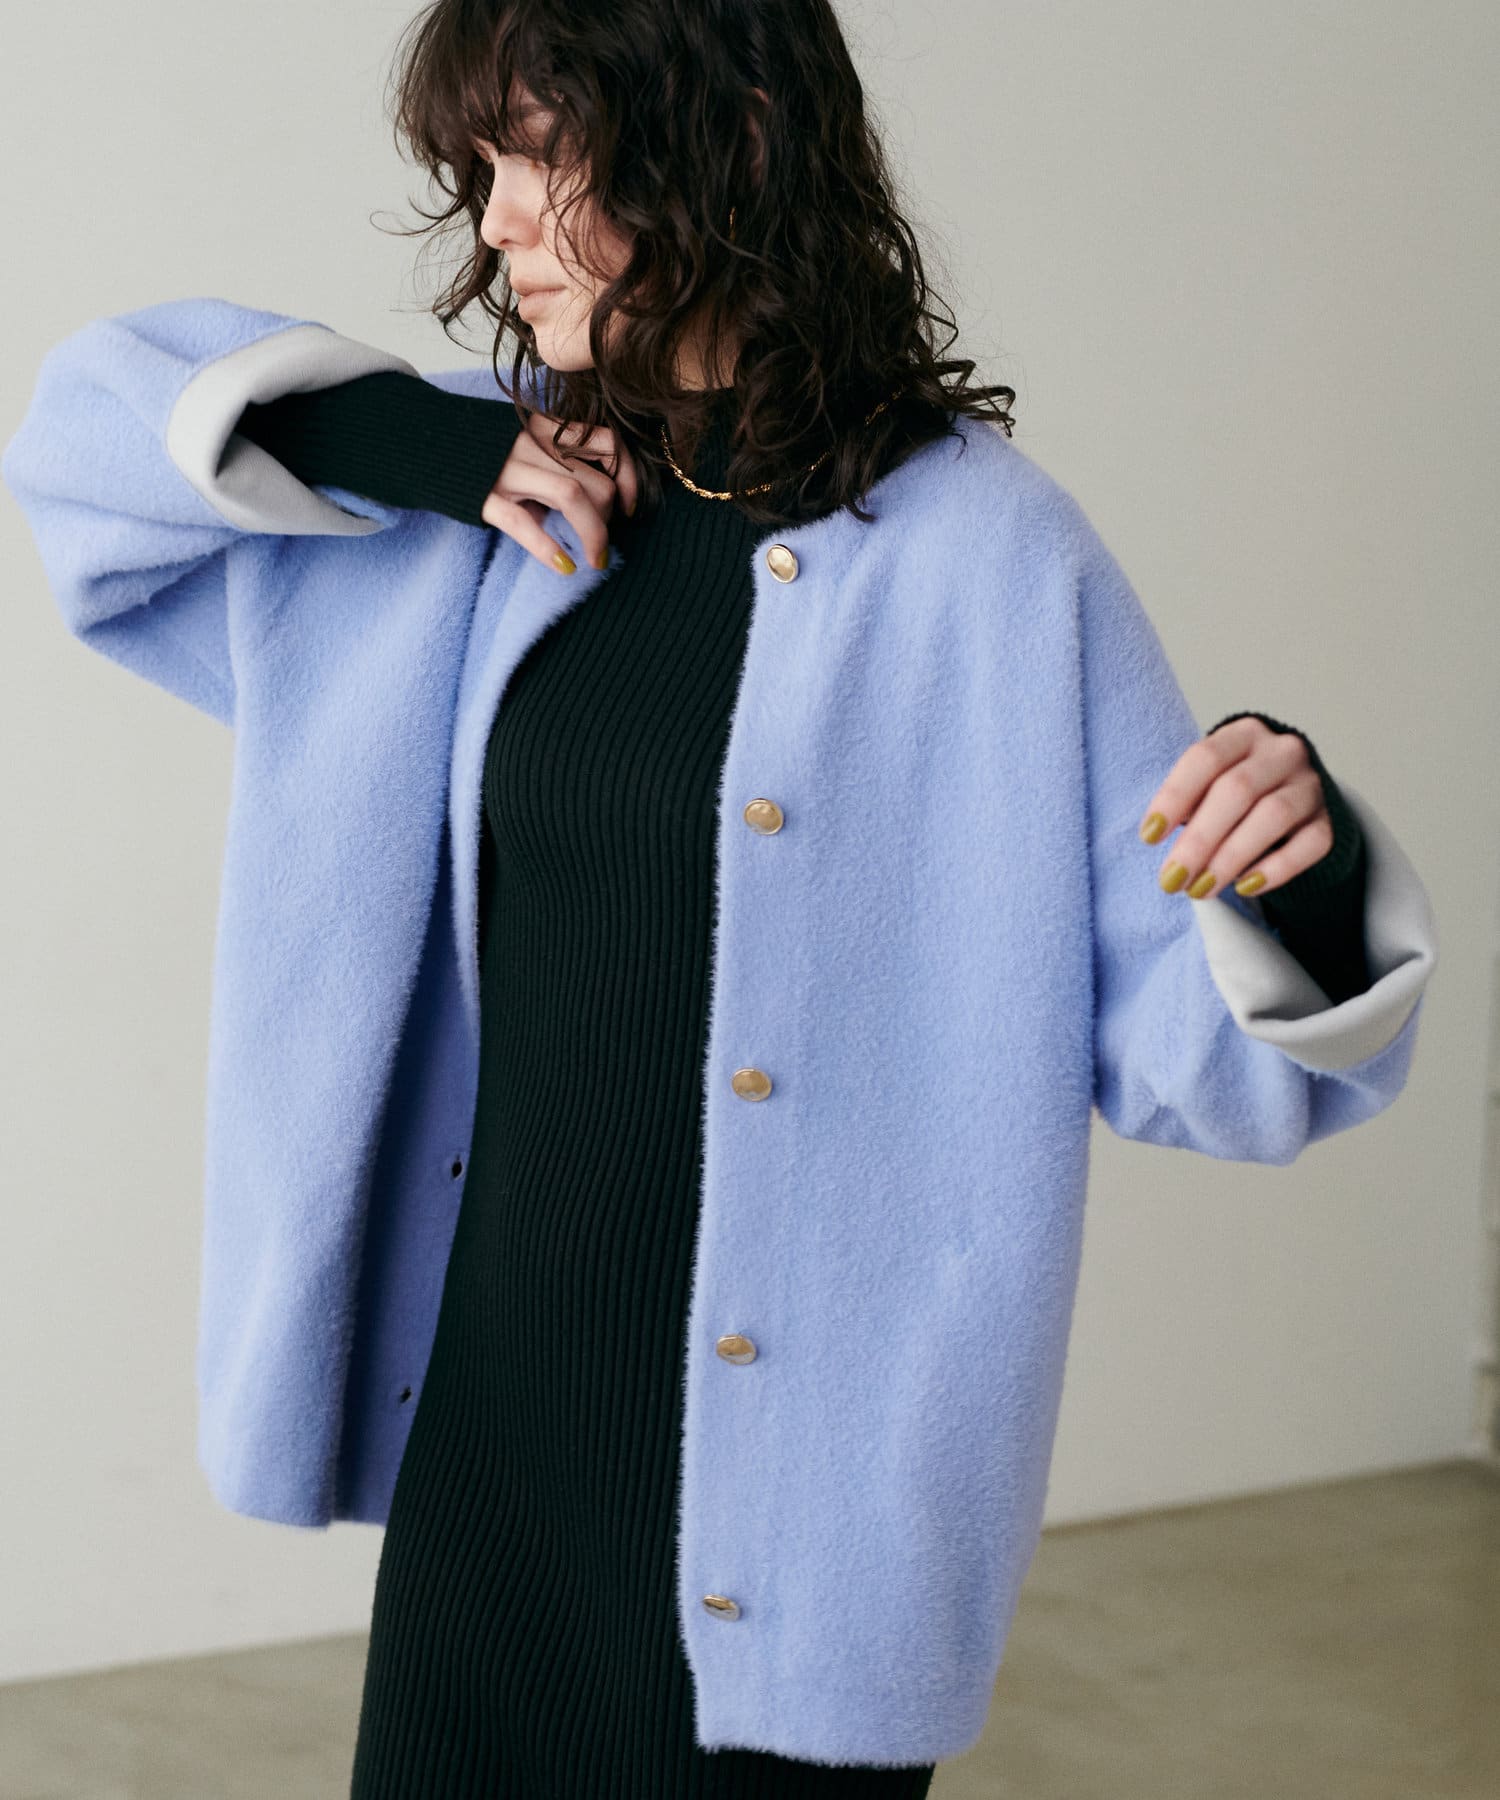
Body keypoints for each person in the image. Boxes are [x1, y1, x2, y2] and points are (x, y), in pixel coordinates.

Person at [1, 2, 1434, 1795]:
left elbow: (1213, 1069)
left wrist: (1298, 862)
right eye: (478, 164)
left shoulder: (990, 565)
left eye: (543, 155)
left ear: (732, 144)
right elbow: (81, 460)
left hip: (807, 1519)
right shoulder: (487, 520)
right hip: (492, 1461)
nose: (496, 217)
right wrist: (412, 442)